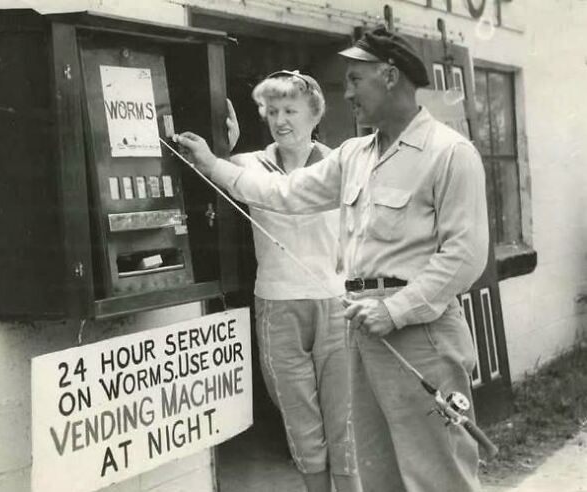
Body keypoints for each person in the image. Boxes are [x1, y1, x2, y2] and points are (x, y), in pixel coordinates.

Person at [175, 26, 488, 492]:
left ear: (389, 76)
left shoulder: (449, 153)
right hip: (361, 326)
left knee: (437, 472)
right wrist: (212, 165)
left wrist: (394, 309)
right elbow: (285, 192)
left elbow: (465, 256)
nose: (346, 92)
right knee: (377, 471)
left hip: (421, 332)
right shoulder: (354, 155)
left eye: (355, 80)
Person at [228, 71, 360, 492]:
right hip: (277, 306)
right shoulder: (246, 164)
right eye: (272, 111)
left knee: (346, 417)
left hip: (336, 305)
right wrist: (223, 143)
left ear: (314, 113)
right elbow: (209, 169)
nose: (280, 120)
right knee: (300, 419)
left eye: (291, 110)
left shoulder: (342, 163)